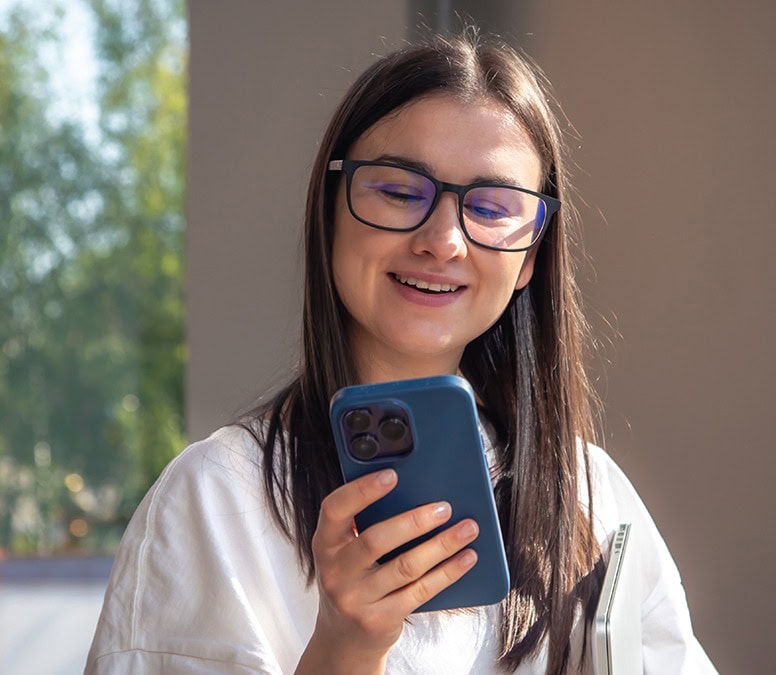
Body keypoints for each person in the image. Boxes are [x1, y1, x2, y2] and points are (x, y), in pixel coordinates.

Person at [85, 30, 716, 675]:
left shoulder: (591, 496)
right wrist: (344, 651)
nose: (442, 241)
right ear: (331, 212)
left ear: (530, 257)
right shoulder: (216, 500)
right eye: (397, 191)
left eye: (494, 206)